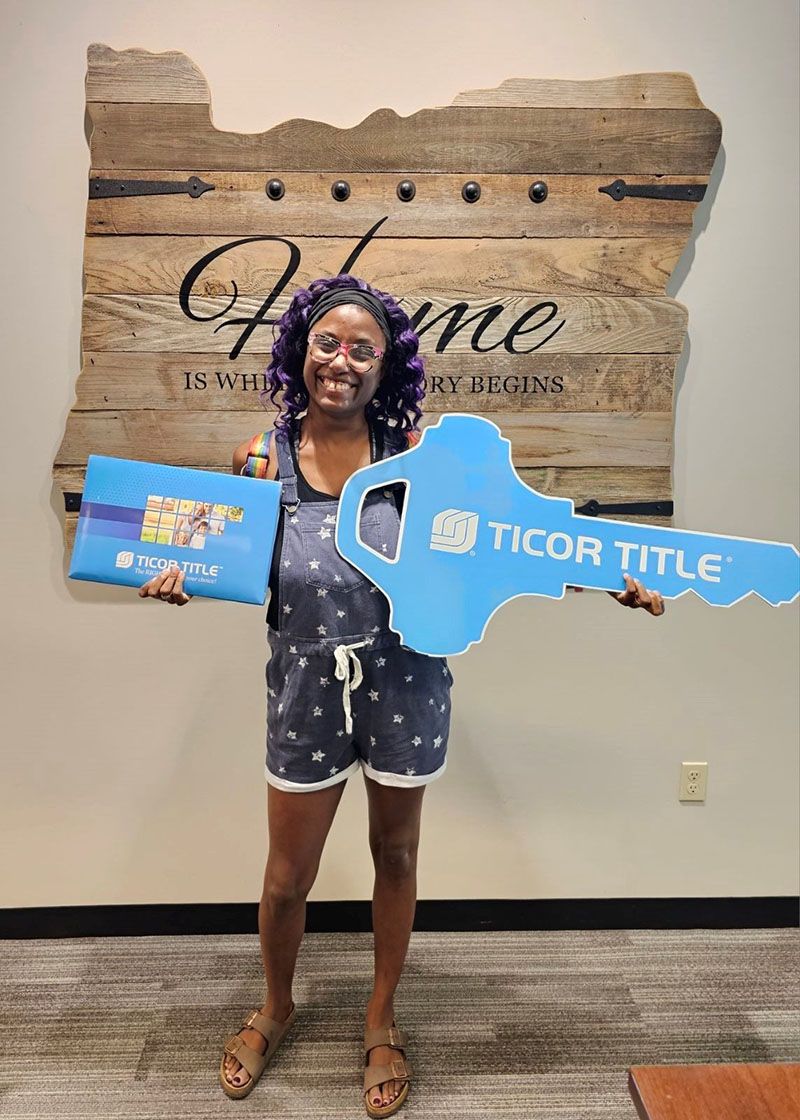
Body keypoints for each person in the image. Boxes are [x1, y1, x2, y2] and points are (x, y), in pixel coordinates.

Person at [138, 273, 665, 1116]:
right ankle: (275, 1006)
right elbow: (232, 562)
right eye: (326, 342)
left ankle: (381, 1016)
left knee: (397, 855)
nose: (340, 361)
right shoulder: (260, 460)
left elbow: (504, 548)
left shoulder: (418, 462)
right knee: (286, 878)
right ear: (300, 349)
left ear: (387, 367)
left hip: (405, 681)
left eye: (362, 349)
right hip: (306, 688)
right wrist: (178, 579)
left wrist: (609, 579)